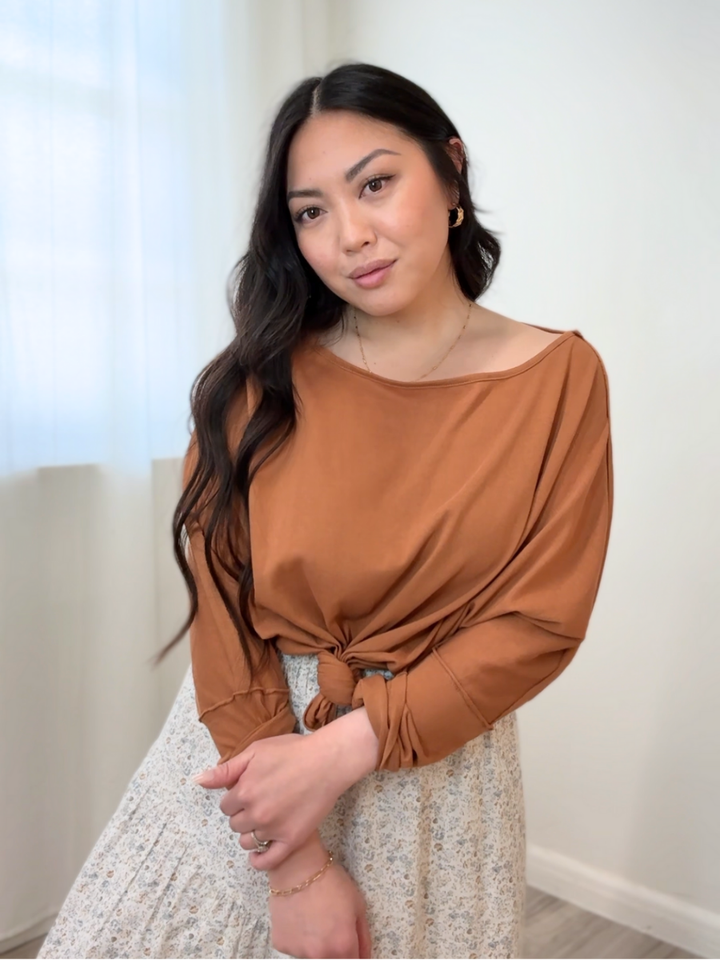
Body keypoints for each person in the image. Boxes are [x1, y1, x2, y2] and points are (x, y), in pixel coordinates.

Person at [38, 61, 614, 960]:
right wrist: (295, 865)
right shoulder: (256, 381)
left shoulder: (560, 378)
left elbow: (539, 621)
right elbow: (223, 608)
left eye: (375, 184)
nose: (351, 236)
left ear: (451, 170)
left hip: (434, 785)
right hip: (248, 761)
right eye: (310, 212)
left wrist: (341, 752)